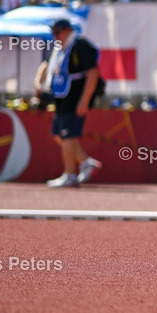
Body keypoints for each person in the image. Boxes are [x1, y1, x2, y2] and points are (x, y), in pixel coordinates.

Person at [35, 18, 103, 188]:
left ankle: (70, 174)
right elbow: (46, 65)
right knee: (59, 134)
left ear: (67, 31)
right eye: (53, 33)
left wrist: (84, 100)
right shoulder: (60, 48)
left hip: (74, 98)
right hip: (61, 97)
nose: (55, 36)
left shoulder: (80, 45)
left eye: (57, 32)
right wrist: (38, 82)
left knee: (67, 135)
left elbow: (93, 73)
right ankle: (85, 162)